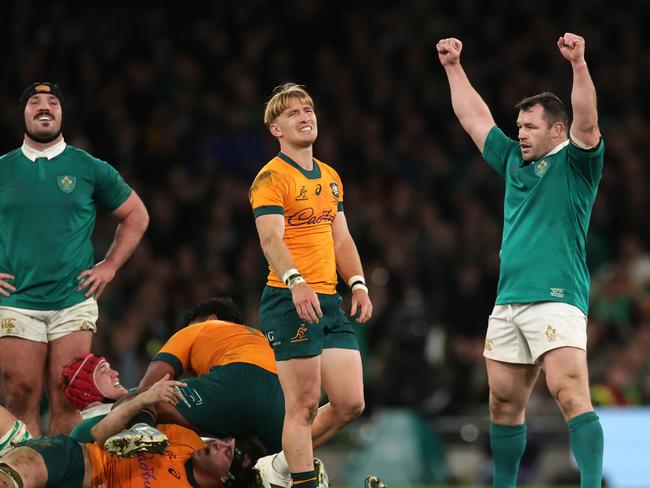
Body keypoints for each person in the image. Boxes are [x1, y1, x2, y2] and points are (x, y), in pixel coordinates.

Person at [436, 33, 604, 487]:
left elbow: (587, 120)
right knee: (503, 405)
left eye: (531, 126)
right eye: (520, 126)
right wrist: (453, 66)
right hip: (509, 300)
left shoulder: (577, 163)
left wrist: (579, 65)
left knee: (570, 393)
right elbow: (474, 118)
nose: (521, 134)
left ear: (556, 130)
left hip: (556, 296)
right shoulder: (512, 160)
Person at [0, 82, 149, 436]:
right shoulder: (3, 168)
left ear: (62, 114)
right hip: (16, 300)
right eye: (34, 102)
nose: (44, 107)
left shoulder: (88, 167)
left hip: (72, 301)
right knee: (20, 396)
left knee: (69, 397)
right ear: (22, 114)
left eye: (53, 101)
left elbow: (137, 215)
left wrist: (110, 265)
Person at [249, 83, 372, 488]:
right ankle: (300, 481)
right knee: (302, 407)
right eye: (293, 113)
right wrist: (296, 281)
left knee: (350, 402)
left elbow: (341, 238)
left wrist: (357, 283)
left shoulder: (331, 177)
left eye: (309, 110)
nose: (305, 117)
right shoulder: (271, 178)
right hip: (290, 299)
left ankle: (279, 466)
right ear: (276, 130)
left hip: (329, 300)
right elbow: (271, 239)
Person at [0, 376, 265, 488]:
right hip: (79, 462)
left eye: (231, 452)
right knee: (11, 476)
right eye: (227, 440)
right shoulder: (185, 439)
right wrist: (142, 402)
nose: (221, 443)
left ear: (226, 479)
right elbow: (100, 434)